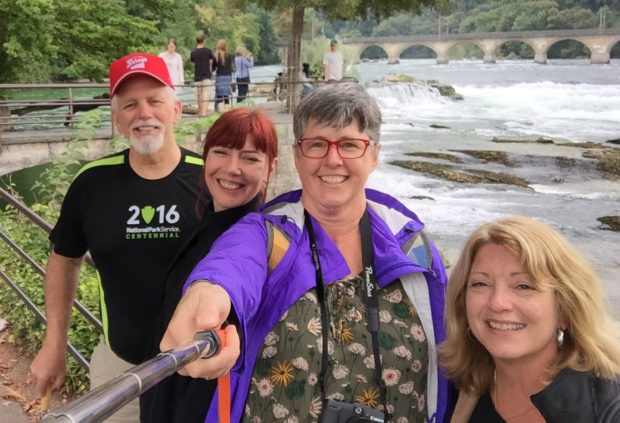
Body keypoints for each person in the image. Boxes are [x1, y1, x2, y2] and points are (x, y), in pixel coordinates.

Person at [161, 83, 452, 423]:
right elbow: (232, 264)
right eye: (316, 145)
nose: (332, 158)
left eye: (349, 145)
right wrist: (206, 297)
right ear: (297, 156)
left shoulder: (413, 249)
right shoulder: (269, 237)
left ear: (374, 155)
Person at [29, 52, 205, 423]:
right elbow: (65, 259)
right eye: (130, 104)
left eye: (154, 101)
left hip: (198, 370)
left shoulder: (211, 181)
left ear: (176, 110)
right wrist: (54, 343)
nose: (144, 113)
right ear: (116, 119)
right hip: (120, 371)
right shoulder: (92, 184)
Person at [140, 107, 279, 423]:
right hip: (161, 397)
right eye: (221, 152)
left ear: (271, 168)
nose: (232, 168)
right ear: (206, 158)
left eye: (250, 158)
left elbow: (237, 272)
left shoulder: (258, 241)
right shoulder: (205, 220)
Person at [440, 216, 620, 423]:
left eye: (524, 286)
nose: (498, 303)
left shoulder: (607, 407)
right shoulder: (455, 387)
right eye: (481, 283)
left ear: (565, 310)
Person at [191, 34, 215, 116]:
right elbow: (211, 62)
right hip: (206, 76)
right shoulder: (208, 51)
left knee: (199, 97)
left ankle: (200, 113)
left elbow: (194, 63)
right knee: (206, 96)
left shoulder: (193, 52)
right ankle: (203, 114)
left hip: (197, 77)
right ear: (204, 40)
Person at [213, 40, 234, 112]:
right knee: (226, 96)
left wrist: (216, 68)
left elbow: (213, 68)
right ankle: (227, 112)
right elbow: (230, 68)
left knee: (219, 96)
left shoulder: (216, 56)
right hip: (228, 76)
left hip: (220, 77)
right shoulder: (229, 55)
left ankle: (220, 112)